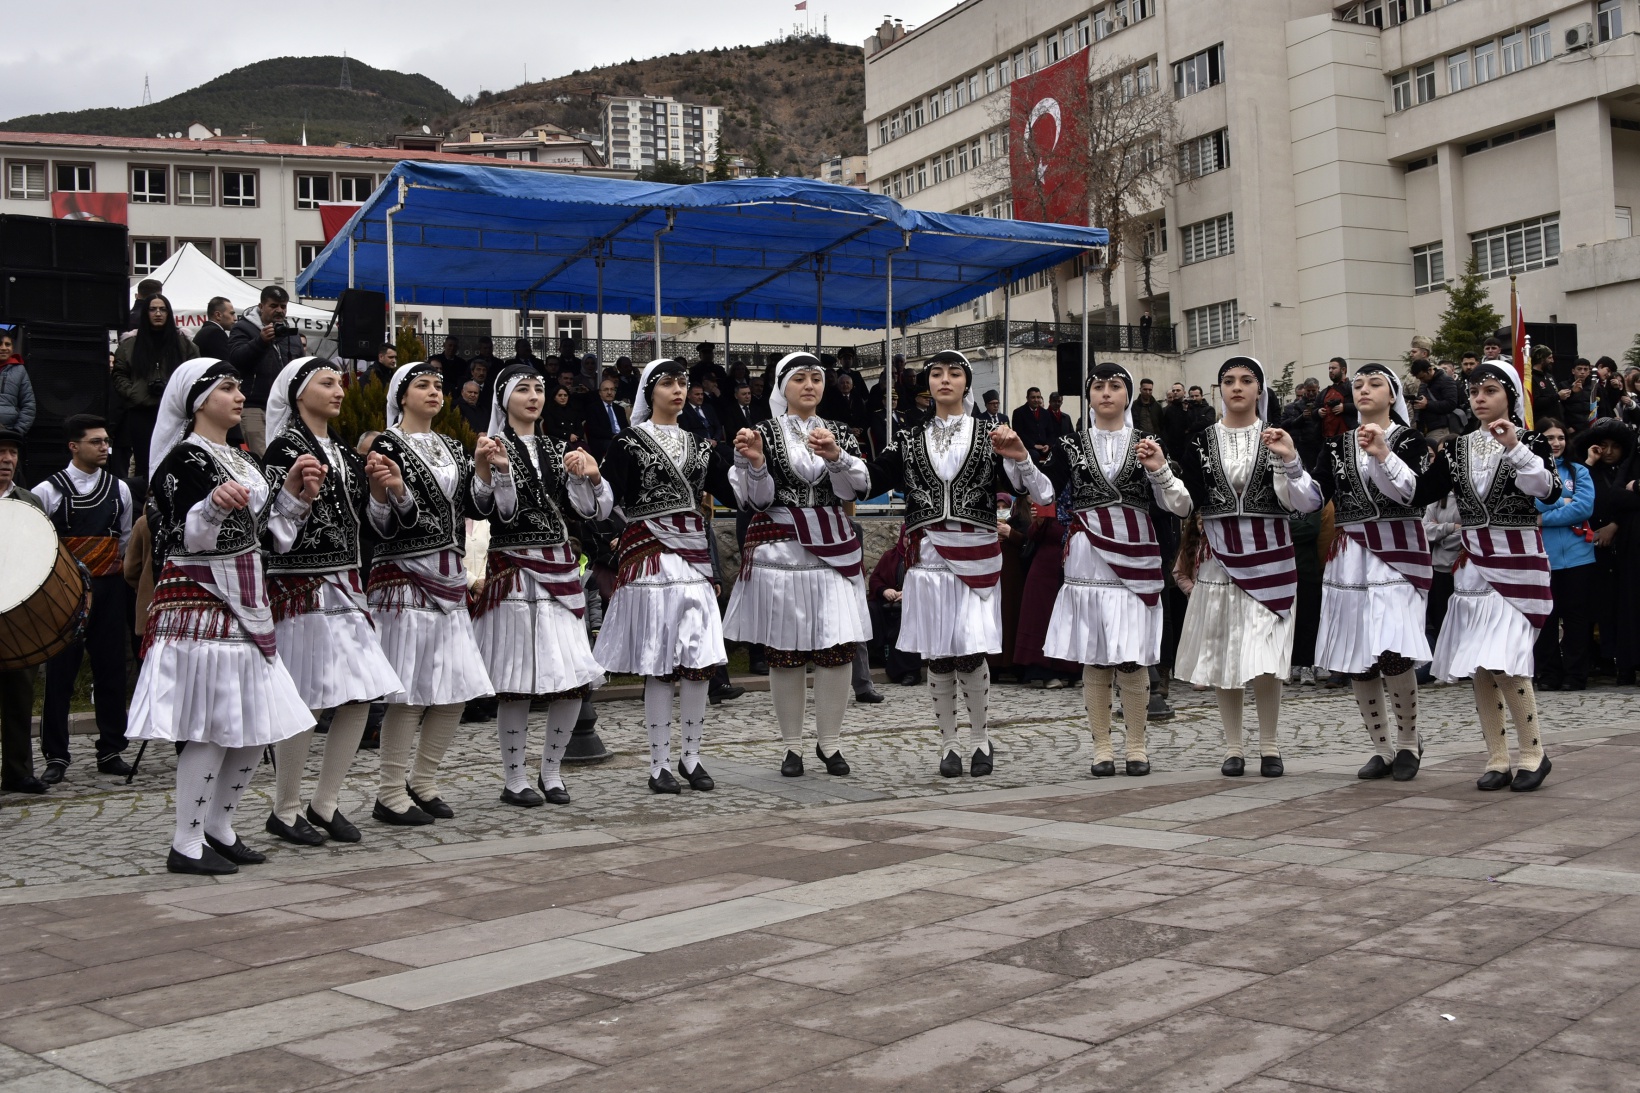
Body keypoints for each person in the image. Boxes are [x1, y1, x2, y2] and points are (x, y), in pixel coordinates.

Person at [129, 359, 321, 874]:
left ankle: (219, 826)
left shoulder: (243, 459)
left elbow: (275, 534)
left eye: (239, 387)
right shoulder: (182, 461)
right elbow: (183, 536)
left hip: (249, 599)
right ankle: (185, 841)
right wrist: (212, 506)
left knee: (256, 724)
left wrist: (297, 496)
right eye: (228, 388)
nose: (240, 396)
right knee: (212, 725)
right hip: (203, 599)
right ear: (198, 400)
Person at [865, 350, 1056, 777]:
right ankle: (949, 743)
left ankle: (980, 737)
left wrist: (1022, 456)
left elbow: (1041, 494)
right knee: (939, 656)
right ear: (927, 384)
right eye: (936, 373)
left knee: (970, 652)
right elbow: (870, 479)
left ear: (967, 383)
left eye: (954, 373)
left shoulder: (991, 431)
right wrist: (838, 459)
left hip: (977, 558)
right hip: (930, 559)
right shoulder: (910, 437)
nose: (945, 379)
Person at [566, 358, 738, 794]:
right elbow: (604, 505)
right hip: (650, 558)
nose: (678, 390)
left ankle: (692, 756)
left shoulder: (700, 444)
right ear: (649, 392)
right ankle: (660, 763)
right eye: (668, 383)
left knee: (698, 660)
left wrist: (752, 463)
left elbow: (737, 494)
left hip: (694, 560)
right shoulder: (629, 443)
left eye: (683, 383)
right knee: (660, 663)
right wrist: (591, 478)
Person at [259, 358, 405, 847]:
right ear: (299, 393)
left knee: (362, 692)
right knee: (307, 699)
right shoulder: (283, 449)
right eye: (326, 383)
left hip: (345, 582)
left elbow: (369, 521)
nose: (339, 390)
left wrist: (383, 492)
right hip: (302, 588)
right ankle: (285, 806)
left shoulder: (341, 451)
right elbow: (273, 525)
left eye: (340, 382)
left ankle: (325, 800)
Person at [724, 352, 873, 777]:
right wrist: (755, 462)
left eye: (816, 379)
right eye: (800, 379)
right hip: (781, 551)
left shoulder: (840, 431)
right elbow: (756, 500)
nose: (810, 386)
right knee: (785, 651)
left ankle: (830, 742)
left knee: (837, 647)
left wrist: (837, 456)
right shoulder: (763, 433)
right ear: (782, 386)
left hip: (832, 547)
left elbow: (858, 488)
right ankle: (792, 746)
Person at [1174, 357, 1323, 779]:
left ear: (1260, 389)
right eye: (1228, 381)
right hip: (1220, 559)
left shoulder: (1277, 436)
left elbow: (1307, 501)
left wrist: (1292, 461)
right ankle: (1234, 746)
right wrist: (1161, 476)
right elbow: (1187, 504)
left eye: (1246, 380)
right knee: (1225, 652)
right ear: (1219, 388)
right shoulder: (1200, 441)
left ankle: (1270, 745)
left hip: (1272, 555)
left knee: (1265, 657)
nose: (1236, 387)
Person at [1041, 362, 1193, 777]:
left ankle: (1138, 746)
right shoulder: (1070, 444)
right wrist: (1022, 460)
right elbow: (1041, 489)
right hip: (1089, 559)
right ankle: (1102, 747)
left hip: (1137, 557)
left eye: (1114, 386)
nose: (1106, 393)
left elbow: (1180, 506)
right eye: (1098, 387)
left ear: (1128, 395)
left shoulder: (1149, 442)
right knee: (1096, 657)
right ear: (1089, 396)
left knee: (1131, 657)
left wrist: (1160, 469)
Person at [365, 362, 498, 825]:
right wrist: (396, 493)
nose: (434, 392)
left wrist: (482, 469)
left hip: (447, 572)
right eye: (422, 385)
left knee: (455, 687)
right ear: (401, 396)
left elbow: (476, 508)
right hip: (404, 576)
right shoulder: (387, 443)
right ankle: (388, 791)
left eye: (439, 385)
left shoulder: (449, 446)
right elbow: (378, 523)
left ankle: (423, 780)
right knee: (411, 689)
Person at [471, 366, 605, 806]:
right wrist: (503, 471)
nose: (534, 397)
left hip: (560, 568)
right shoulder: (492, 446)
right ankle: (514, 778)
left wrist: (587, 475)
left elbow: (584, 511)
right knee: (517, 679)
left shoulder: (554, 447)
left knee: (571, 677)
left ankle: (552, 772)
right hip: (515, 573)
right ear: (504, 398)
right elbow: (502, 515)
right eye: (523, 389)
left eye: (540, 389)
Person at [1314, 364, 1448, 782]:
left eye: (1375, 384)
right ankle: (1381, 747)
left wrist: (1382, 454)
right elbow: (1311, 498)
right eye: (1358, 385)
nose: (1365, 390)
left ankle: (1408, 742)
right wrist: (1287, 466)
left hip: (1396, 552)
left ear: (1392, 395)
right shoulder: (1335, 446)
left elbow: (1411, 493)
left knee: (1393, 649)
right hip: (1350, 553)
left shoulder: (1410, 440)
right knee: (1358, 657)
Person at [1430, 362, 1559, 792]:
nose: (1479, 398)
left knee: (1507, 659)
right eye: (1473, 391)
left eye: (1489, 389)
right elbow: (1419, 489)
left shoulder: (1533, 439)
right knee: (1482, 666)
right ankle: (1498, 757)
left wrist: (1515, 447)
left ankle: (1534, 753)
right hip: (1474, 567)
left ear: (1509, 395)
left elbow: (1549, 490)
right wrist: (1383, 457)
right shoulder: (1458, 447)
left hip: (1518, 559)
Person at [32, 414, 135, 781]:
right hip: (65, 593)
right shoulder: (48, 491)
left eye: (107, 441)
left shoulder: (119, 489)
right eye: (96, 441)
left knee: (110, 670)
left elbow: (124, 541)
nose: (105, 447)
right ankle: (56, 756)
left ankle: (111, 749)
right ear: (73, 446)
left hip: (107, 590)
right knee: (59, 673)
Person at [1533, 419, 1596, 692]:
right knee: (1544, 619)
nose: (1556, 443)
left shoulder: (1578, 470)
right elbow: (1528, 504)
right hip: (1540, 558)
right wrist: (1565, 501)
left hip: (1579, 557)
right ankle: (1548, 674)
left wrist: (1545, 517)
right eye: (1549, 438)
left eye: (1560, 437)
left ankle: (1575, 675)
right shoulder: (1528, 473)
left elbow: (1584, 508)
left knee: (1577, 619)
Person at [0, 427, 47, 794]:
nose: (6, 459)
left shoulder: (29, 501)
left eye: (12, 452)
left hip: (18, 615)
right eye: (1, 452)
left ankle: (18, 771)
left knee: (19, 694)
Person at [113, 294, 199, 479]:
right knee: (144, 464)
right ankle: (145, 505)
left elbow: (195, 373)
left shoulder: (184, 344)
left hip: (175, 412)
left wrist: (182, 396)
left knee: (176, 463)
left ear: (169, 313)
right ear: (146, 313)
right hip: (141, 411)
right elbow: (119, 373)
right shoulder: (130, 345)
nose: (158, 313)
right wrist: (132, 393)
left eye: (162, 309)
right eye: (153, 309)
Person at [227, 286, 302, 456]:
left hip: (284, 407)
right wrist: (260, 341)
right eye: (274, 306)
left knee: (285, 456)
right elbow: (235, 360)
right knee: (263, 456)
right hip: (254, 405)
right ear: (261, 306)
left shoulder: (291, 334)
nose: (279, 310)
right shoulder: (243, 328)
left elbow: (298, 368)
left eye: (283, 306)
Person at [1409, 357, 1462, 445]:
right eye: (1419, 378)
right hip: (1425, 428)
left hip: (1440, 427)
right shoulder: (1423, 384)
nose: (1422, 380)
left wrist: (1427, 405)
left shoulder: (1446, 380)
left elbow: (1451, 404)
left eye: (1423, 377)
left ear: (1429, 370)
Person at [1281, 378, 1325, 469]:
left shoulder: (1322, 401)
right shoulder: (1297, 405)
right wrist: (1302, 417)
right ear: (1305, 389)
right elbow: (1293, 424)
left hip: (1321, 441)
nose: (1311, 393)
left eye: (1313, 390)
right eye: (1309, 391)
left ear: (1318, 388)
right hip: (1305, 444)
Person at [584, 376, 630, 460]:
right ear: (600, 393)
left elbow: (625, 426)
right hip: (602, 441)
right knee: (616, 447)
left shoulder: (620, 409)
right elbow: (594, 430)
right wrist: (613, 436)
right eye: (606, 390)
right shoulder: (593, 408)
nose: (609, 392)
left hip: (620, 439)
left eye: (612, 389)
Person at [0, 330, 35, 436]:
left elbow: (29, 405)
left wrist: (18, 431)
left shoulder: (19, 370)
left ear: (12, 347)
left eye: (7, 344)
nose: (4, 348)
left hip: (8, 431)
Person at [1011, 387, 1053, 460]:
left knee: (1057, 455)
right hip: (1027, 447)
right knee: (1034, 455)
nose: (1036, 400)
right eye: (1033, 397)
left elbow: (1051, 432)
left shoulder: (1045, 413)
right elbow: (1019, 433)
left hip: (1044, 447)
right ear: (1027, 398)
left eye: (1038, 397)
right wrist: (1033, 445)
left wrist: (1048, 444)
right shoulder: (1019, 412)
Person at [1322, 357, 1356, 437]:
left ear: (1343, 370)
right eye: (1329, 368)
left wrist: (1345, 407)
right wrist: (1318, 412)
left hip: (1347, 435)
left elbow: (1363, 406)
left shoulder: (1353, 387)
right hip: (1328, 437)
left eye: (1333, 368)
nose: (1330, 371)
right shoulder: (1325, 391)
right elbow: (1314, 410)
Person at [542, 383, 585, 447]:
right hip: (559, 441)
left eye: (565, 395)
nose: (563, 398)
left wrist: (576, 436)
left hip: (575, 439)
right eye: (560, 395)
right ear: (554, 397)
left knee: (584, 449)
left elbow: (580, 428)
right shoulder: (549, 411)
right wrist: (568, 435)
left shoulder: (573, 410)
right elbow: (551, 430)